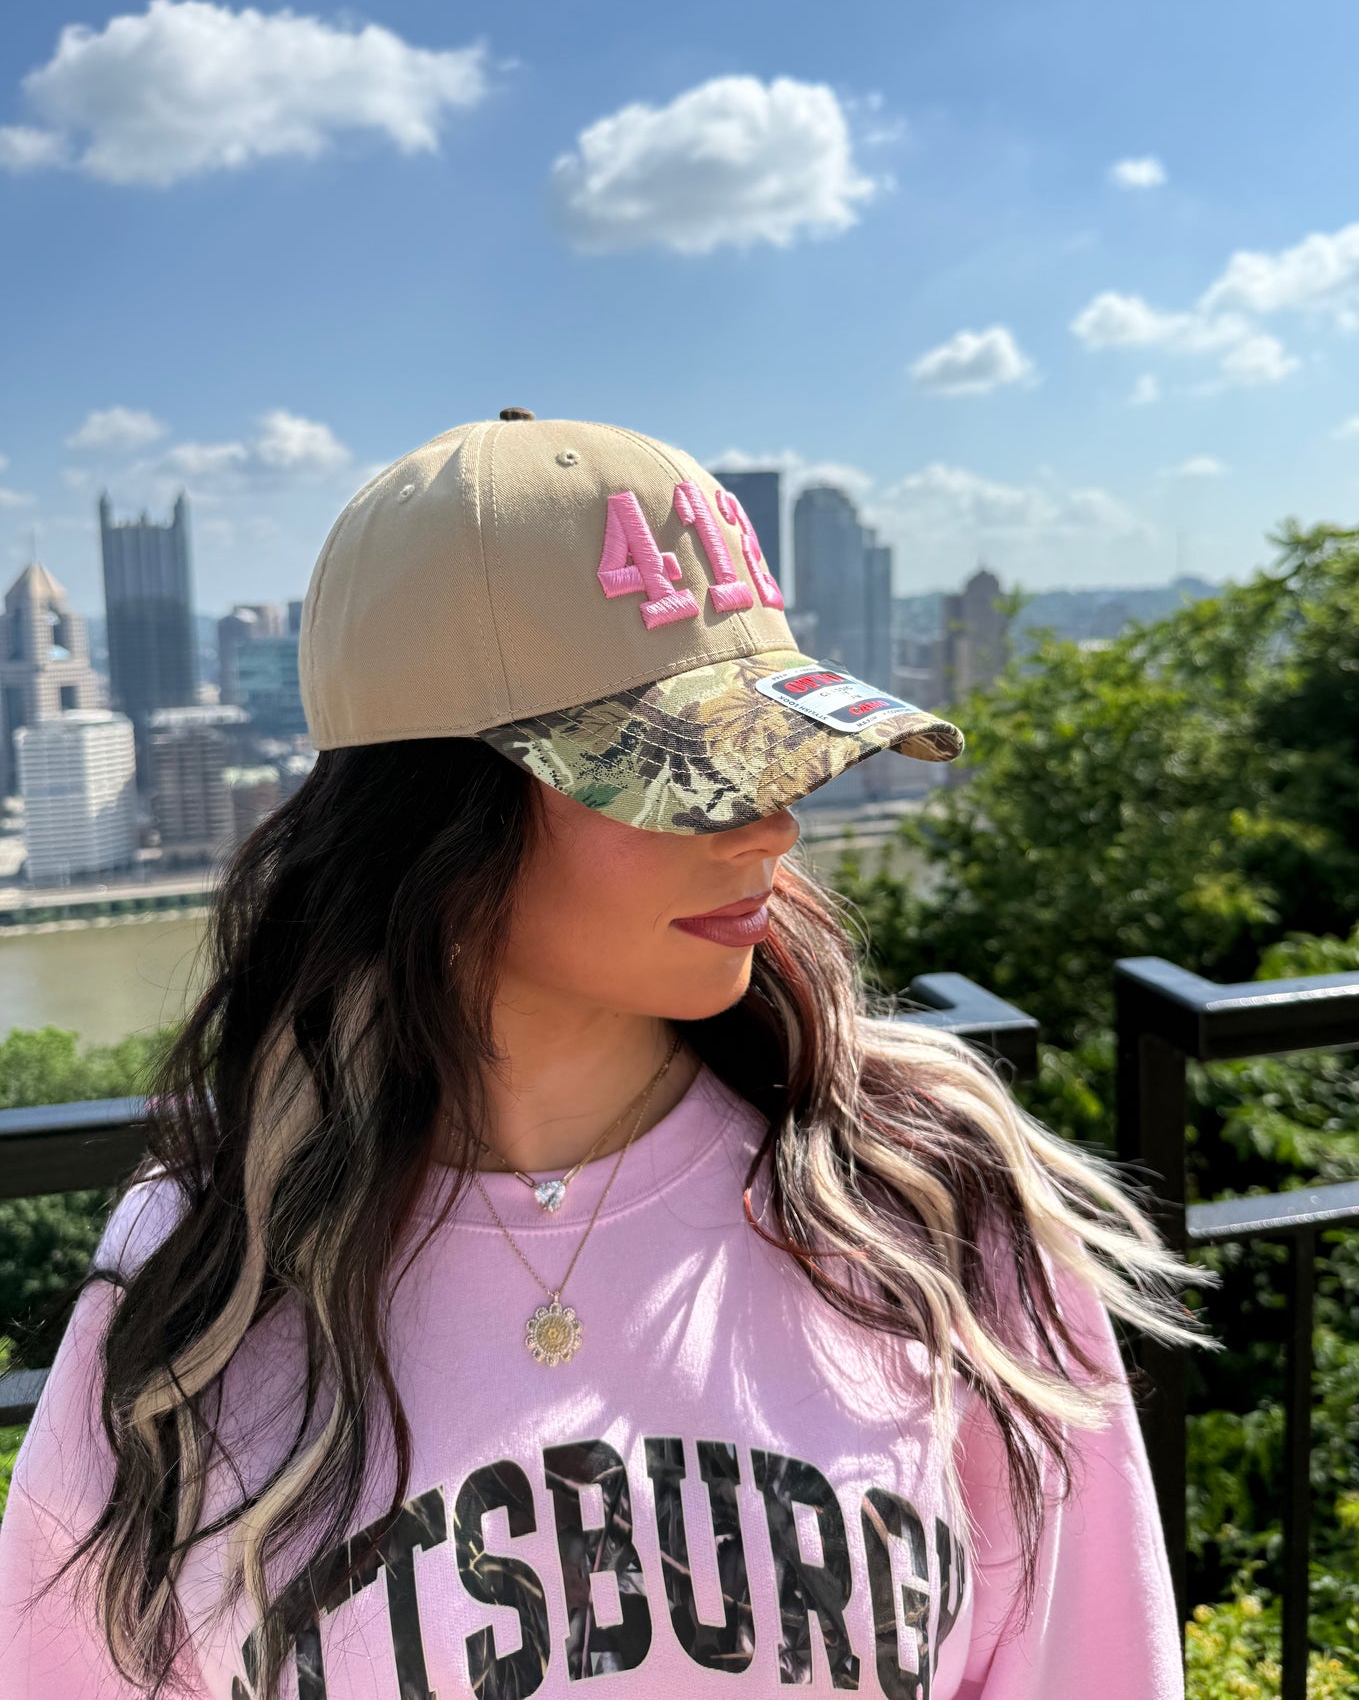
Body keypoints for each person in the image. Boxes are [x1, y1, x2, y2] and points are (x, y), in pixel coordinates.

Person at [0, 411, 1197, 1699]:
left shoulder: (928, 1200)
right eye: (693, 773)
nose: (775, 829)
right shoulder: (209, 1264)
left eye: (779, 755)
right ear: (432, 812)